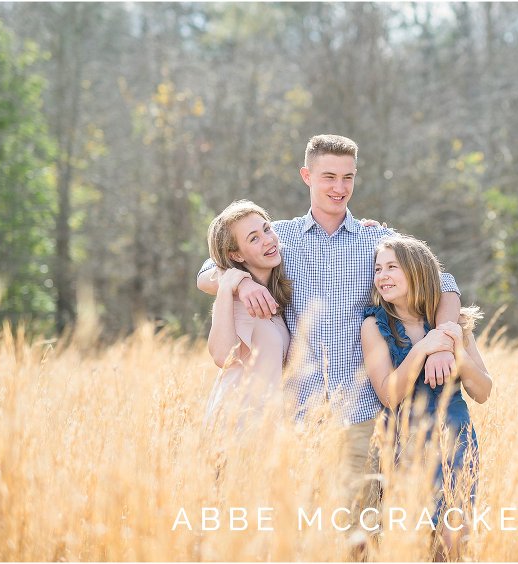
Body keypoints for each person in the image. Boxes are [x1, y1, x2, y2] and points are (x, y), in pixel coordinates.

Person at [196, 134, 463, 544]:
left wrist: (444, 336)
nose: (339, 188)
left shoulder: (376, 241)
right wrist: (241, 284)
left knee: (359, 536)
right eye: (328, 177)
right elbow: (208, 269)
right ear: (307, 176)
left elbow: (443, 281)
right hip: (295, 418)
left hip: (360, 415)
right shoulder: (279, 239)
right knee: (301, 538)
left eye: (348, 177)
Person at [361, 234, 492, 559]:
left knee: (452, 544)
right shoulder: (375, 326)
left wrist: (454, 350)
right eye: (378, 269)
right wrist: (422, 348)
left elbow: (483, 391)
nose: (383, 276)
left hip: (455, 442)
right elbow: (389, 394)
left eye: (392, 267)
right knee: (413, 541)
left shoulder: (452, 324)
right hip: (405, 445)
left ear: (417, 271)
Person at [203, 200, 291, 428]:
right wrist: (228, 285)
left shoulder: (267, 298)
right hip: (233, 429)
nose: (268, 240)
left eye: (266, 229)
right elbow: (223, 357)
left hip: (263, 430)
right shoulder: (236, 302)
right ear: (237, 256)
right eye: (254, 238)